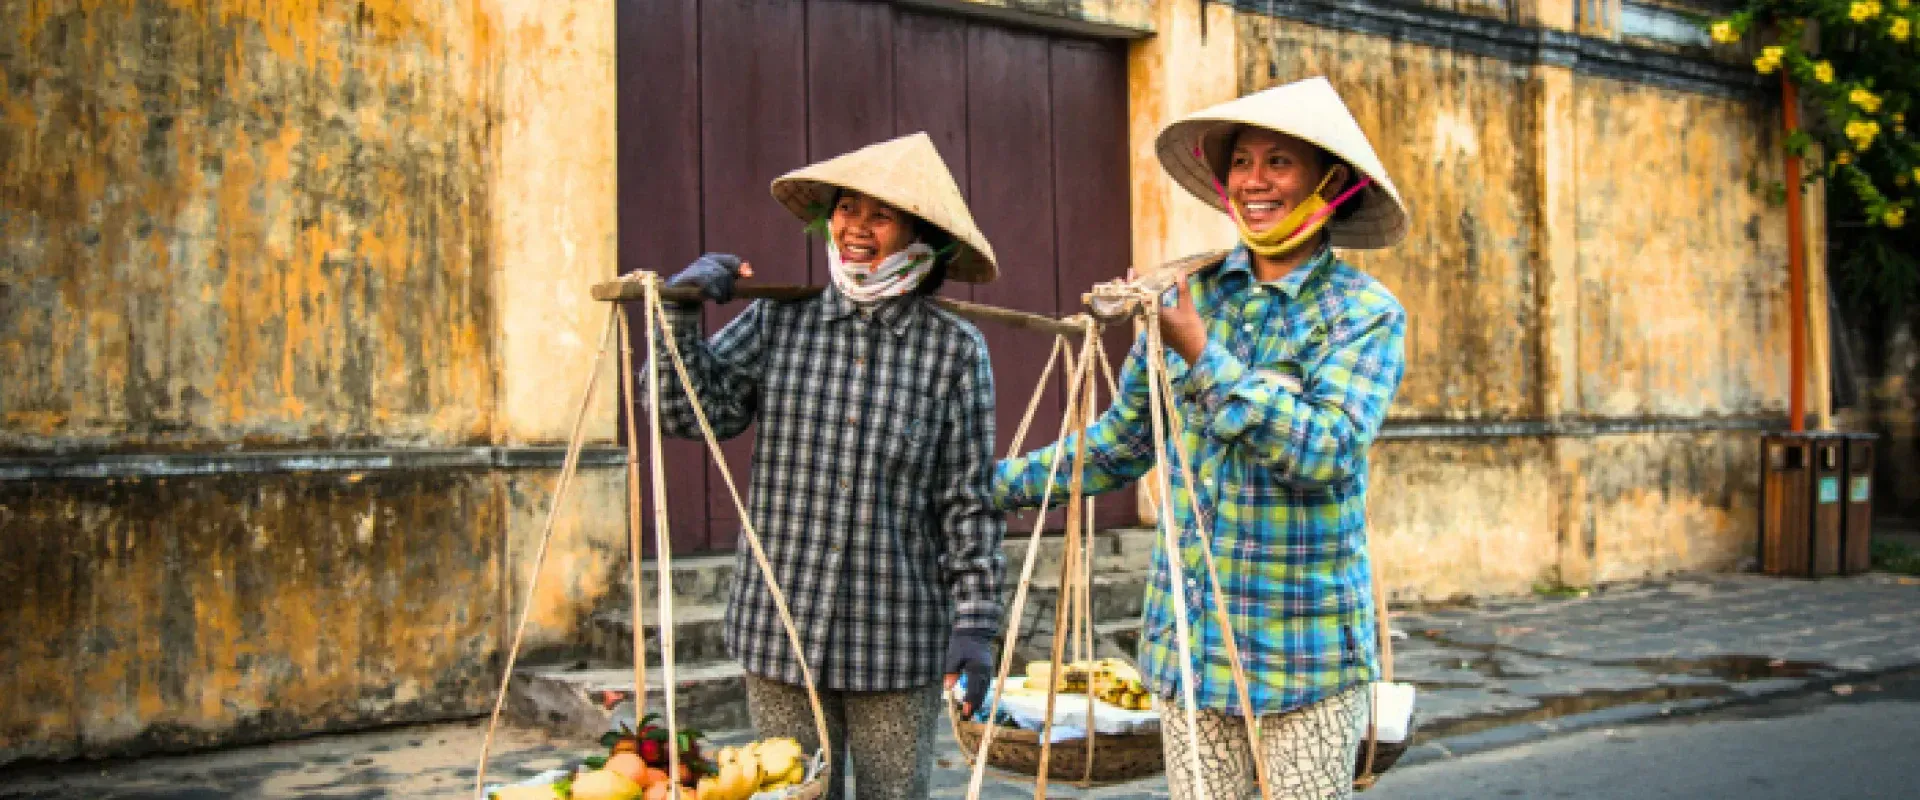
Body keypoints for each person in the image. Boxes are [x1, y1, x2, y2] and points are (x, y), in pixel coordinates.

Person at [991, 77, 1411, 800]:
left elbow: (1327, 449)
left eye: (1279, 163)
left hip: (1306, 656)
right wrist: (988, 484)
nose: (1254, 181)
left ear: (1328, 183)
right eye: (1242, 162)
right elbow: (1123, 444)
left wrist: (1202, 355)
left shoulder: (1364, 314)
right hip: (1194, 653)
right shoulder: (1193, 293)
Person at [651, 132, 1006, 800]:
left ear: (918, 235)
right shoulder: (780, 323)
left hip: (895, 638)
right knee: (791, 794)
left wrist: (976, 624)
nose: (856, 229)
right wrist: (679, 311)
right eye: (847, 208)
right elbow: (689, 413)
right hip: (779, 630)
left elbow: (968, 502)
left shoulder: (954, 352)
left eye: (881, 215)